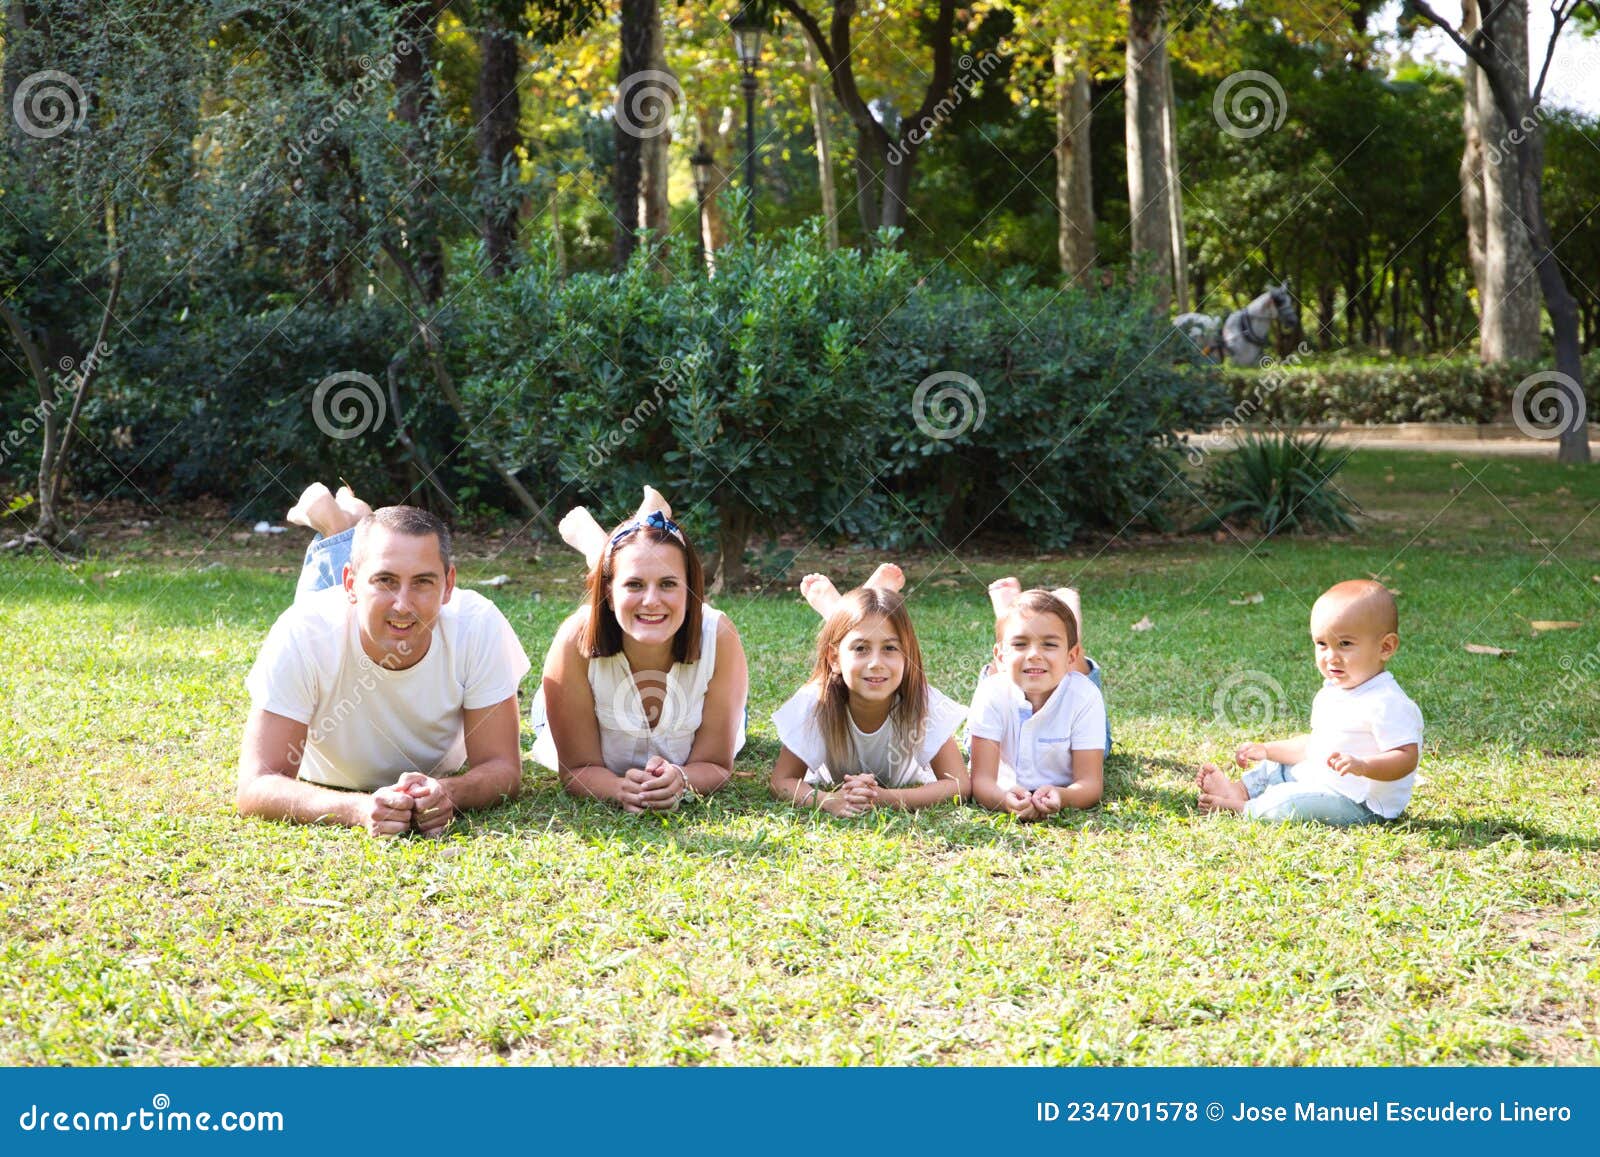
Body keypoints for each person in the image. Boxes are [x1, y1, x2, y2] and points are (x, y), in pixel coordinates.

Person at [237, 483, 530, 838]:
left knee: (371, 591)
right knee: (328, 575)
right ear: (350, 585)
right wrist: (357, 808)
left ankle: (350, 522)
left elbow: (503, 769)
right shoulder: (304, 631)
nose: (403, 604)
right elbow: (257, 785)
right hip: (334, 617)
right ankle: (335, 522)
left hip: (352, 613)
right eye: (385, 581)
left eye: (423, 582)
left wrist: (448, 792)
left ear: (449, 585)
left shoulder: (478, 624)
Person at [532, 489, 748, 812]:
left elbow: (716, 764)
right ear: (608, 590)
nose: (650, 600)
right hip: (557, 708)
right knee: (650, 598)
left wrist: (682, 778)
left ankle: (609, 549)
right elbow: (577, 769)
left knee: (656, 599)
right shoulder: (573, 640)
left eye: (669, 584)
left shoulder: (719, 637)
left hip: (719, 687)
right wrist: (619, 789)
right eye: (634, 585)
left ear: (690, 590)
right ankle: (606, 552)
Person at [1196, 580, 1422, 825]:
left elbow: (1405, 757)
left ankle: (1243, 808)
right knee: (1276, 767)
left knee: (1293, 800)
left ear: (1386, 647)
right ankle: (1239, 790)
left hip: (1358, 803)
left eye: (1345, 644)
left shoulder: (1387, 701)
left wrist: (1364, 765)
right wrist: (1268, 749)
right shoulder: (1331, 692)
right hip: (1321, 780)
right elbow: (1314, 746)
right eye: (1322, 644)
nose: (1331, 656)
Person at [769, 565, 968, 816]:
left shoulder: (922, 702)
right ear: (834, 659)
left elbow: (958, 785)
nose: (876, 663)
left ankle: (842, 609)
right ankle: (848, 609)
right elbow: (781, 781)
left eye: (890, 649)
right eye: (861, 649)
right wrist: (829, 800)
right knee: (860, 626)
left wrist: (885, 797)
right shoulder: (816, 702)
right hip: (834, 678)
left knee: (863, 625)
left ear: (908, 657)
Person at [968, 587, 1107, 821]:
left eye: (1049, 644)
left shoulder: (1085, 697)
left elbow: (1090, 784)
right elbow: (981, 781)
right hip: (1001, 700)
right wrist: (1002, 800)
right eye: (1020, 644)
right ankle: (1015, 617)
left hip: (1073, 694)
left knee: (1084, 685)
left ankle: (1065, 609)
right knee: (995, 681)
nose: (1034, 653)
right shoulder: (990, 693)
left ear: (1071, 656)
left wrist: (1063, 796)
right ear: (1000, 655)